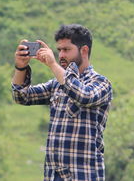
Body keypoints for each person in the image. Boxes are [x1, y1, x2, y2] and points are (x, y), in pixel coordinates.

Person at [11, 24, 113, 181]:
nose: (61, 55)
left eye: (66, 50)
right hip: (53, 175)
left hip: (83, 174)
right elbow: (22, 96)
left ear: (84, 50)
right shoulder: (57, 84)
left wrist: (52, 65)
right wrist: (20, 67)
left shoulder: (100, 82)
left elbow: (84, 96)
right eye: (59, 50)